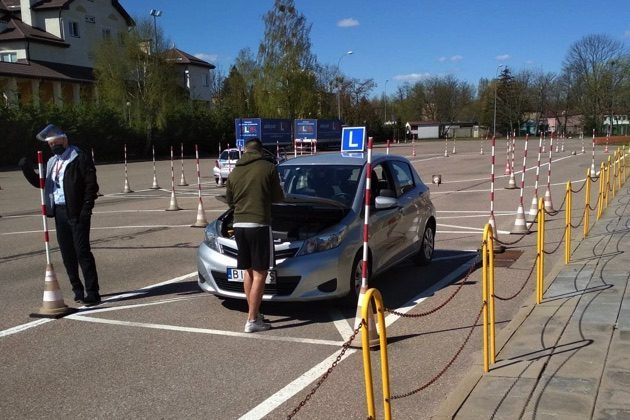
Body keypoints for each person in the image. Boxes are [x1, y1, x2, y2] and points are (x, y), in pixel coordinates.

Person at [19, 124, 101, 306]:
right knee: (67, 254)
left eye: (56, 142)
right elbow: (42, 184)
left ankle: (93, 291)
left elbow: (91, 185)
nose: (54, 146)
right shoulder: (51, 162)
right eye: (50, 144)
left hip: (77, 211)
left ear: (65, 140)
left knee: (82, 251)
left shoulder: (79, 157)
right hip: (59, 212)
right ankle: (77, 290)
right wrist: (26, 169)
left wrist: (87, 208)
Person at [225, 137, 284, 333]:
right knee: (261, 272)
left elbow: (230, 201)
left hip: (239, 225)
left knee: (248, 271)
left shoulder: (234, 172)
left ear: (245, 151)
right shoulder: (268, 168)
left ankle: (253, 313)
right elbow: (278, 198)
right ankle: (252, 320)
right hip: (259, 223)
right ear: (260, 150)